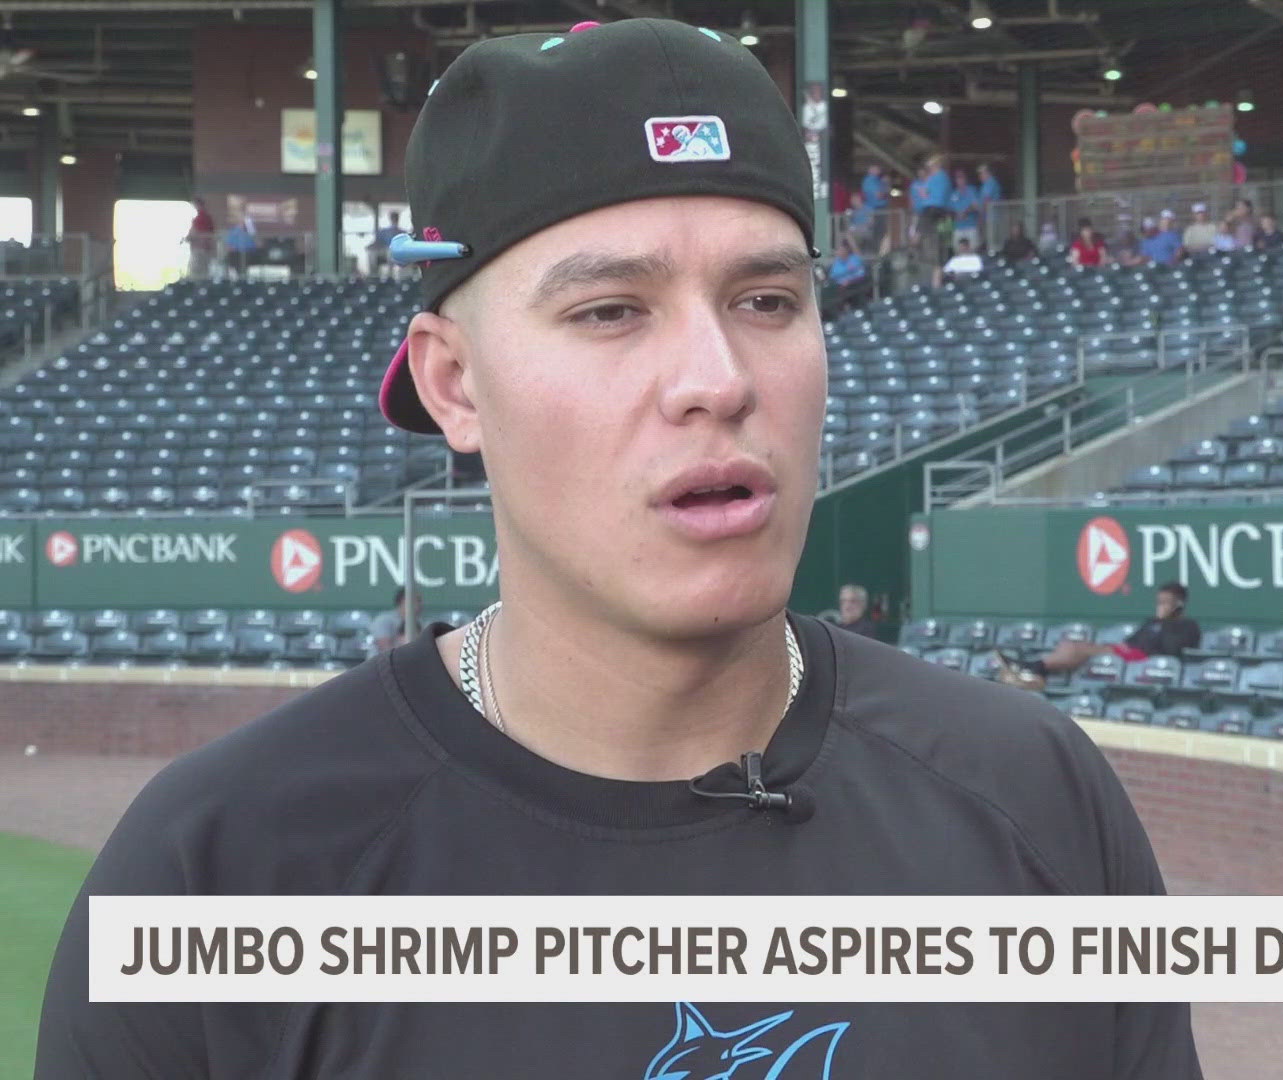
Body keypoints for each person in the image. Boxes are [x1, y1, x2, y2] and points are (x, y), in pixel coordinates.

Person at [36, 18, 1200, 1080]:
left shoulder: (1033, 796)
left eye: (767, 300)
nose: (719, 380)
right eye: (609, 311)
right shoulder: (226, 866)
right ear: (455, 383)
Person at [996, 583, 1201, 690]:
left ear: (1179, 604)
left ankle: (1031, 669)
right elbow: (1131, 641)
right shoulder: (1151, 621)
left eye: (1165, 602)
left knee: (1077, 649)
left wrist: (1166, 621)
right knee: (1071, 644)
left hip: (1144, 659)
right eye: (1159, 601)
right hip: (1128, 652)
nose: (1160, 606)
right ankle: (1035, 671)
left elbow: (1172, 649)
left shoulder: (1187, 626)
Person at [369, 586, 425, 652]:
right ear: (404, 601)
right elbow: (385, 649)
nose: (421, 604)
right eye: (418, 600)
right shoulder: (384, 620)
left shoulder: (419, 622)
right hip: (383, 661)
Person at [949, 168, 983, 252]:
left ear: (965, 179)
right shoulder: (954, 194)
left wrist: (966, 212)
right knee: (957, 251)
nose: (959, 180)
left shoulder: (971, 190)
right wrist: (955, 214)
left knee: (973, 250)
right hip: (958, 227)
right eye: (957, 178)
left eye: (961, 177)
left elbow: (976, 205)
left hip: (971, 226)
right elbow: (950, 208)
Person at [186, 197, 216, 279]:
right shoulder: (206, 218)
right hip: (204, 249)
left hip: (200, 250)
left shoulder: (201, 218)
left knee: (197, 273)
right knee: (203, 271)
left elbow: (200, 234)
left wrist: (190, 237)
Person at [370, 210, 405, 278]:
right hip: (385, 249)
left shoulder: (402, 232)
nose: (394, 219)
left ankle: (392, 276)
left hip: (398, 250)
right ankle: (374, 275)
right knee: (372, 253)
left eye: (396, 217)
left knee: (392, 253)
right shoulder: (385, 231)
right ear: (390, 219)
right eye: (393, 217)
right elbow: (377, 241)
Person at [222, 214, 258, 279]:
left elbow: (254, 245)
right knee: (230, 260)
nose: (244, 224)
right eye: (243, 222)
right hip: (235, 254)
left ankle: (243, 276)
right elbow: (228, 245)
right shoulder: (233, 232)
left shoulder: (250, 233)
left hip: (248, 254)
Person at [976, 162, 1002, 235]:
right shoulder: (986, 184)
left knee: (991, 241)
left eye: (982, 173)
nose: (980, 176)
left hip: (991, 218)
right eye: (979, 174)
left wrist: (980, 218)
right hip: (989, 218)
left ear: (988, 173)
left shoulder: (990, 182)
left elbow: (986, 201)